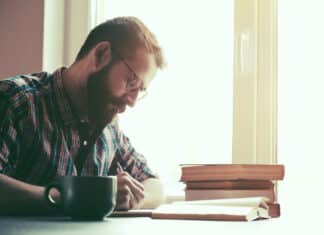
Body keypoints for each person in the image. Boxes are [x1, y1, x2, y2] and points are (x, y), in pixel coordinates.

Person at [0, 16, 166, 215]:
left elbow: (155, 185)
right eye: (131, 83)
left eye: (140, 91)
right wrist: (72, 197)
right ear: (101, 55)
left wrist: (133, 197)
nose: (131, 101)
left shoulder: (109, 128)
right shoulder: (16, 101)